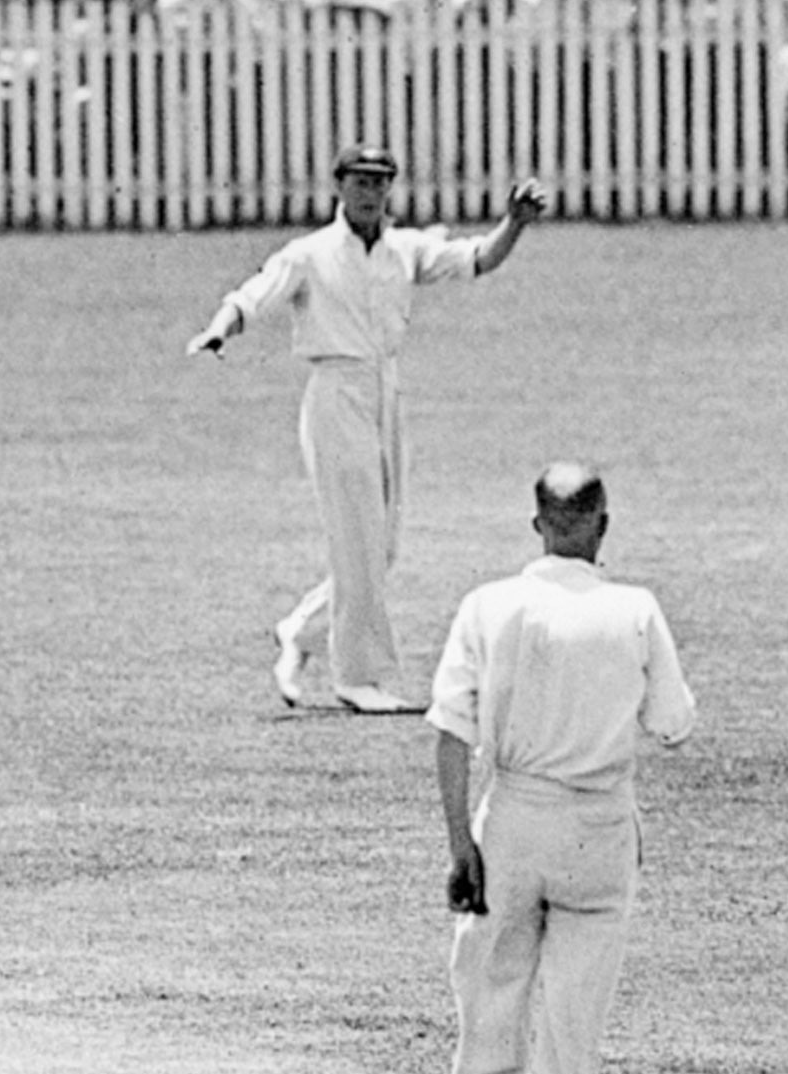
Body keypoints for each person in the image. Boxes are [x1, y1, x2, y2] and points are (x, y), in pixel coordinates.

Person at [428, 463, 699, 1074]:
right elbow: (673, 726)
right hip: (597, 829)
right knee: (565, 1044)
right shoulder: (635, 610)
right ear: (602, 528)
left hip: (510, 819)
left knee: (488, 1028)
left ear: (537, 524)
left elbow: (448, 732)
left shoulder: (487, 604)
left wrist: (458, 847)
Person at [185, 146, 549, 712]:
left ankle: (301, 631)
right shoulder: (311, 253)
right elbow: (256, 292)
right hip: (335, 392)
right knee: (357, 541)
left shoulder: (403, 249)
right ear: (339, 185)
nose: (369, 192)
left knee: (381, 549)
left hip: (386, 391)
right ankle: (360, 678)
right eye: (359, 181)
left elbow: (475, 259)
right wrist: (219, 330)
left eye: (379, 183)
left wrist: (515, 225)